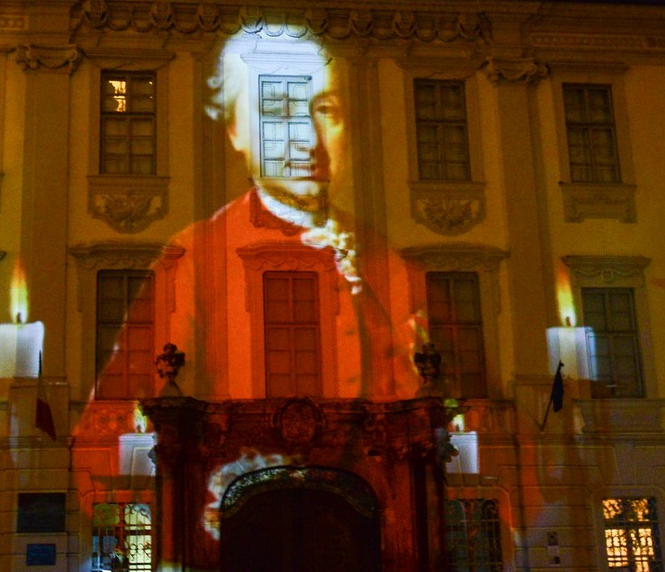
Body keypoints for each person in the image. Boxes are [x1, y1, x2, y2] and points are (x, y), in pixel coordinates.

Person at [95, 30, 421, 401]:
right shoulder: (194, 253)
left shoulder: (384, 255)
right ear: (234, 131)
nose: (307, 140)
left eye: (325, 111)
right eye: (279, 112)